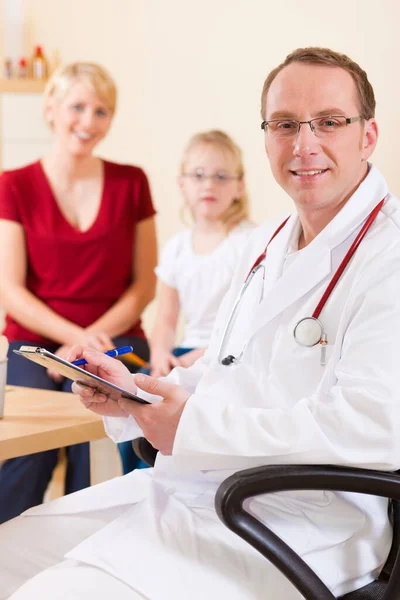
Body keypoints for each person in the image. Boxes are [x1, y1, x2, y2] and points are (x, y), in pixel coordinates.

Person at [1, 46, 400, 600]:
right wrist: (137, 395)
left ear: (368, 136)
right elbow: (226, 366)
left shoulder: (390, 254)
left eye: (329, 122)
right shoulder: (268, 242)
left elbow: (375, 427)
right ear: (265, 139)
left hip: (298, 523)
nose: (304, 144)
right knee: (5, 552)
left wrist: (192, 427)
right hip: (198, 494)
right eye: (284, 124)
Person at [0, 62, 157, 524]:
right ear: (50, 108)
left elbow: (144, 284)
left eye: (101, 111)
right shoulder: (14, 184)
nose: (88, 122)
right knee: (35, 451)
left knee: (105, 438)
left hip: (118, 342)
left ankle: (101, 552)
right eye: (78, 107)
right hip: (34, 348)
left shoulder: (132, 182)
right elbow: (10, 290)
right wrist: (72, 339)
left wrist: (89, 340)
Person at [118, 129, 254, 474]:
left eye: (222, 176)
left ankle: (176, 476)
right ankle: (139, 479)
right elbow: (164, 319)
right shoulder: (177, 248)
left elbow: (249, 321)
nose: (209, 184)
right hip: (182, 354)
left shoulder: (249, 243)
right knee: (136, 401)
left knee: (183, 407)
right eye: (199, 175)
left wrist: (204, 356)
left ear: (239, 186)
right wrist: (161, 353)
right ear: (182, 183)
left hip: (227, 356)